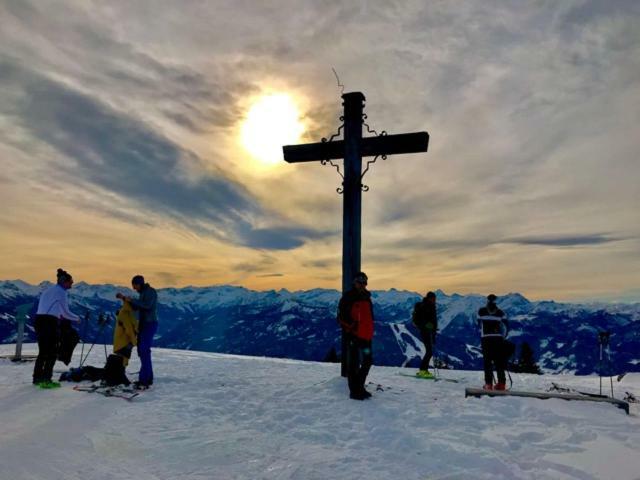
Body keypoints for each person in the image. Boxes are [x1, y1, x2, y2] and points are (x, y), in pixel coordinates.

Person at [33, 268, 81, 387]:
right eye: (71, 281)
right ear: (64, 282)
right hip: (49, 322)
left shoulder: (48, 290)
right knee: (52, 352)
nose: (72, 284)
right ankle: (46, 379)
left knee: (43, 352)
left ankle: (37, 378)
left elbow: (53, 308)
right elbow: (65, 312)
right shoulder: (61, 292)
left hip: (39, 320)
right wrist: (77, 318)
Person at [337, 272, 374, 400]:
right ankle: (355, 391)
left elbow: (369, 316)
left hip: (366, 335)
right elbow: (341, 317)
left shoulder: (367, 297)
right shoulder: (348, 297)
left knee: (367, 361)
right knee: (353, 364)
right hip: (353, 335)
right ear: (355, 282)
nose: (362, 285)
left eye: (364, 282)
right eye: (360, 282)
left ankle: (359, 387)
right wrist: (352, 327)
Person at [117, 275, 157, 390]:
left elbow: (147, 306)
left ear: (140, 284)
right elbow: (137, 307)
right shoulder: (143, 293)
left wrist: (132, 300)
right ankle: (147, 377)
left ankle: (145, 380)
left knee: (144, 350)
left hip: (150, 324)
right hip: (144, 324)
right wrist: (124, 299)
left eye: (135, 286)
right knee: (142, 351)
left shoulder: (150, 292)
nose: (134, 289)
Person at [477, 294, 509, 390]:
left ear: (487, 300)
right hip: (498, 338)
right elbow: (506, 326)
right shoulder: (500, 312)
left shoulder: (481, 311)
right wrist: (503, 337)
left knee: (487, 361)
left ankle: (488, 384)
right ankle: (501, 383)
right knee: (499, 361)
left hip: (486, 338)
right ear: (496, 301)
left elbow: (478, 323)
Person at [412, 291, 438, 378]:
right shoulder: (425, 306)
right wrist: (428, 326)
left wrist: (433, 330)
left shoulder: (430, 306)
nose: (435, 300)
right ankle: (423, 370)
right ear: (430, 298)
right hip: (426, 331)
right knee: (429, 351)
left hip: (429, 332)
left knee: (429, 351)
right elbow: (423, 320)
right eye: (434, 298)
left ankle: (423, 370)